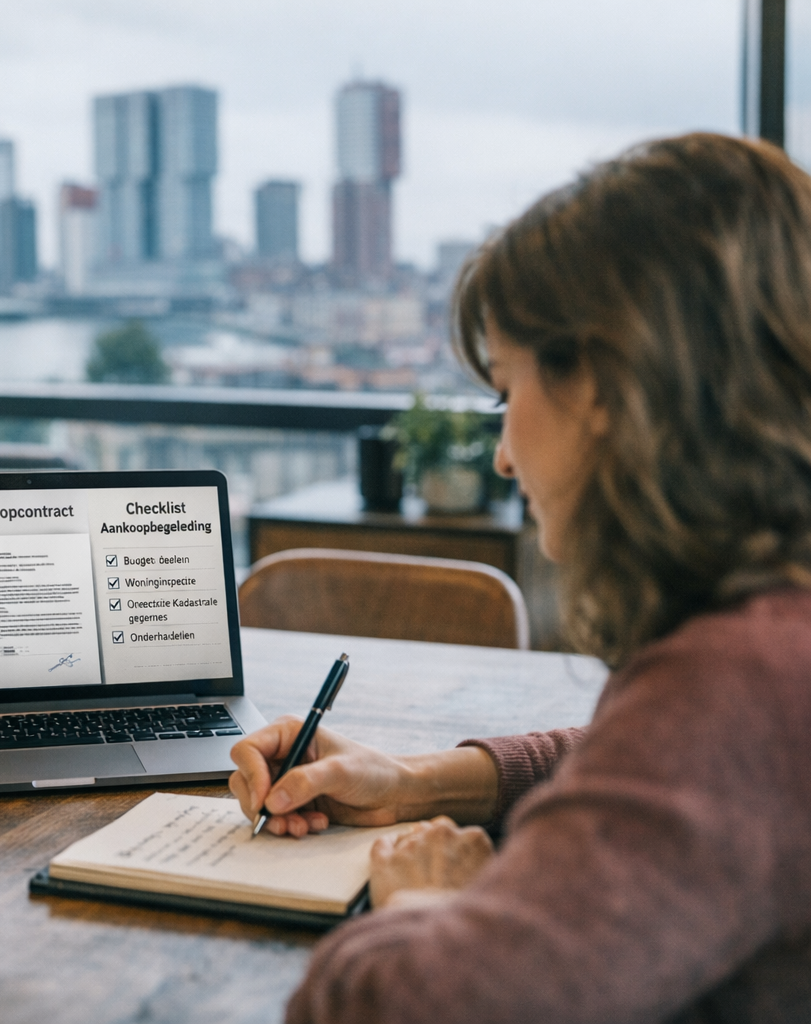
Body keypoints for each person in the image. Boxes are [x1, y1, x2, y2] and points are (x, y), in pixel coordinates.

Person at [229, 133, 811, 1022]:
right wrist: (416, 781)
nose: (502, 455)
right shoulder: (773, 642)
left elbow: (395, 1010)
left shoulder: (737, 681)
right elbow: (652, 769)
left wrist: (424, 904)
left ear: (611, 383)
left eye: (507, 392)